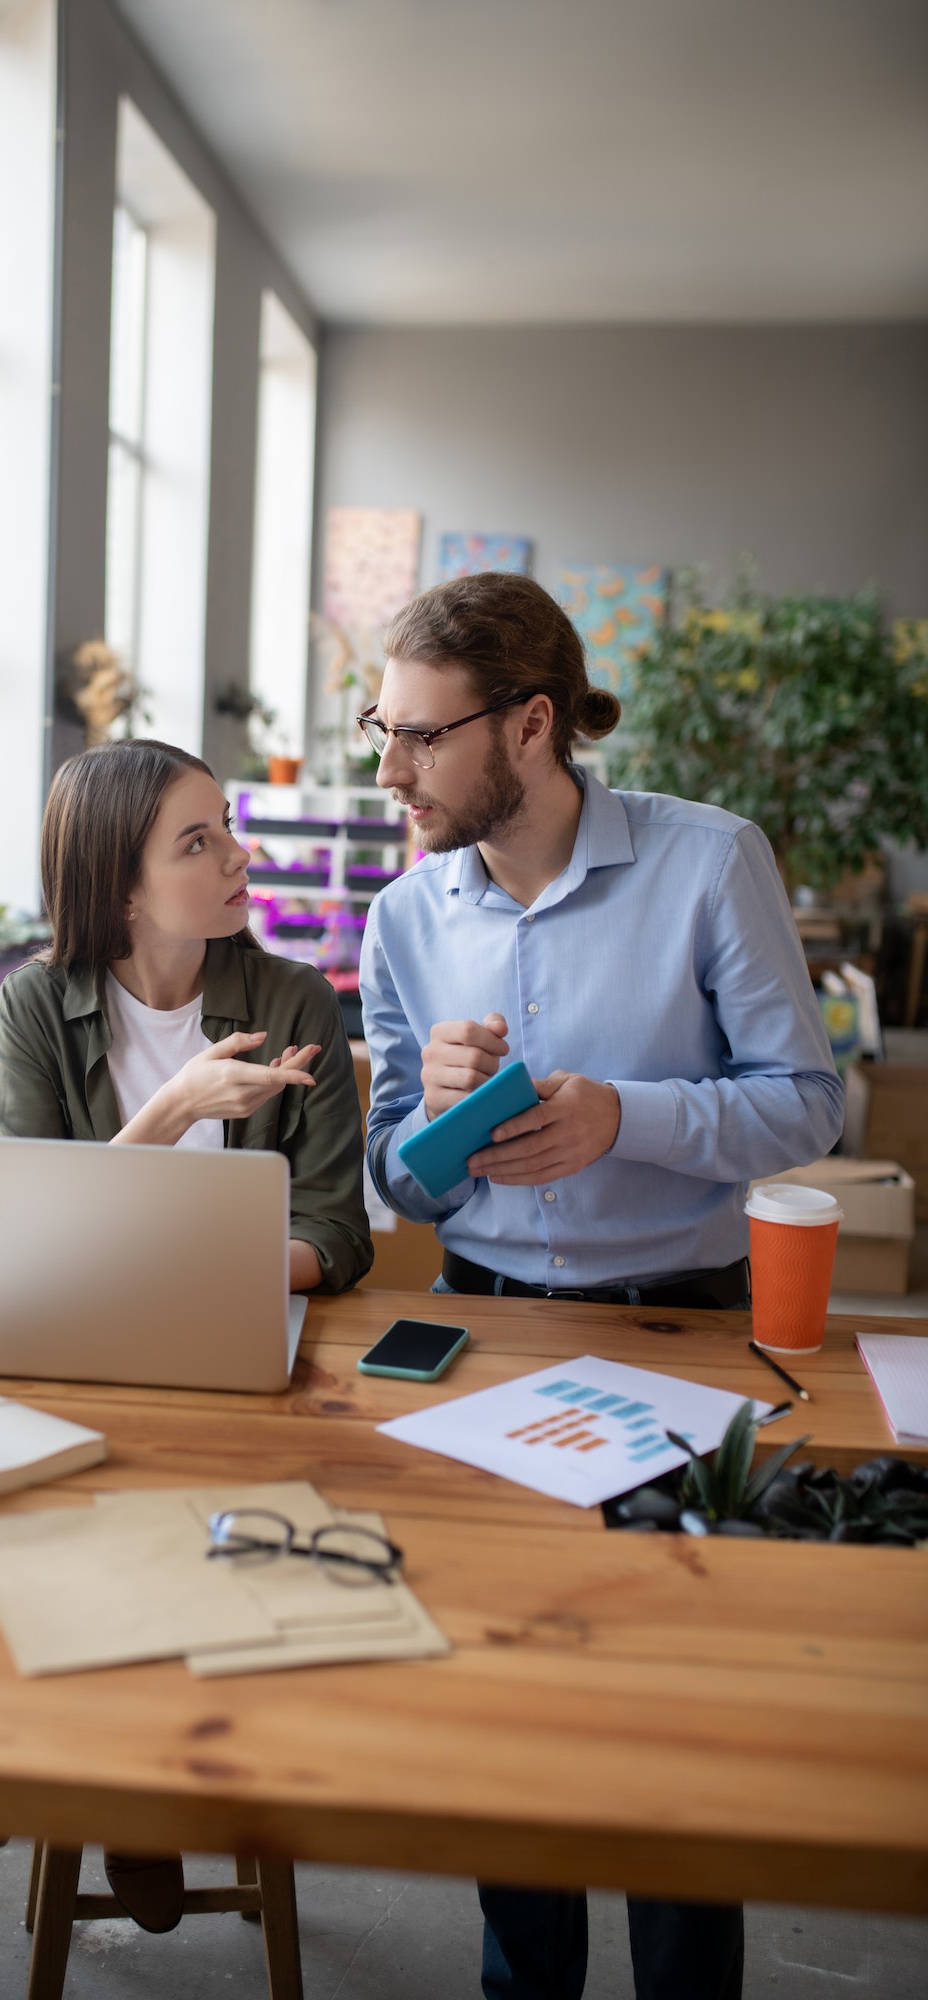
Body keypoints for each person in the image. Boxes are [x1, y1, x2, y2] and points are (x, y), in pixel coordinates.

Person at [357, 571, 842, 2000]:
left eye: (419, 737)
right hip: (487, 1325)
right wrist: (432, 1122)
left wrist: (623, 1116)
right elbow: (396, 1183)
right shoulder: (403, 916)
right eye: (380, 732)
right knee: (512, 1710)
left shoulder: (710, 862)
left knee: (678, 1719)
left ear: (530, 724)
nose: (389, 773)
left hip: (684, 1325)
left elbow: (806, 1103)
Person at [0, 738, 371, 2000]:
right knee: (48, 1545)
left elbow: (336, 1234)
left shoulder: (296, 997)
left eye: (226, 825)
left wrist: (200, 1267)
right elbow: (22, 1231)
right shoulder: (38, 1002)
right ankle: (124, 1797)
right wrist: (172, 1109)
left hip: (233, 1371)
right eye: (199, 840)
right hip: (69, 1365)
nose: (238, 853)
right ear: (121, 885)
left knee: (100, 1550)